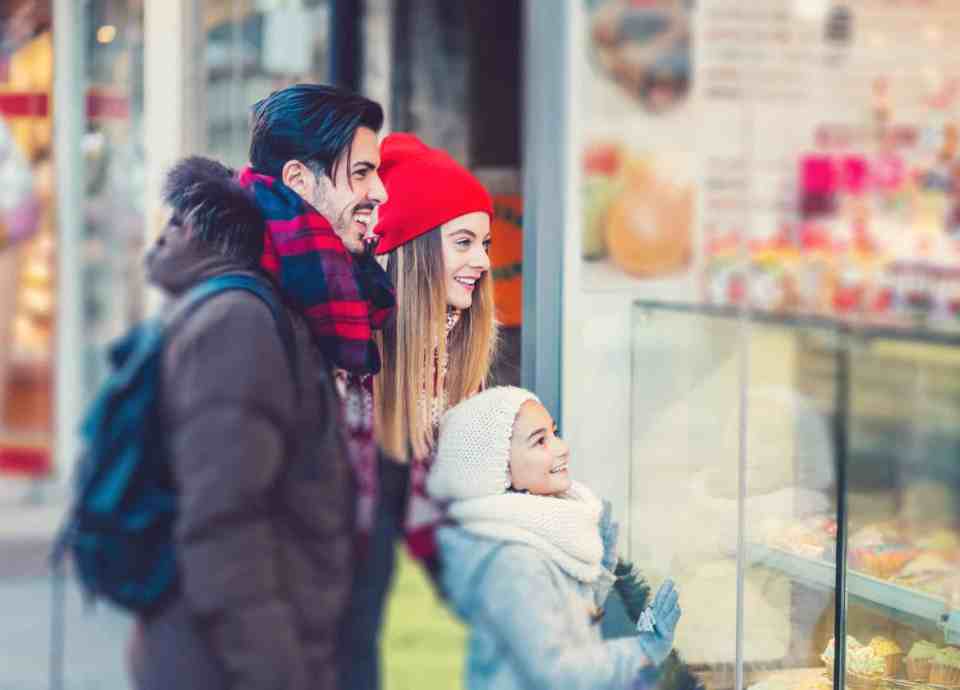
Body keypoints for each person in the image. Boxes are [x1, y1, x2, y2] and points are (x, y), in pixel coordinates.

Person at [131, 156, 351, 690]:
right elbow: (223, 520)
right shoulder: (236, 323)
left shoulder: (221, 311)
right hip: (221, 658)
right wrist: (273, 671)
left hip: (203, 643)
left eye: (174, 223)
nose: (159, 242)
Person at [338, 132, 498, 690]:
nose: (481, 261)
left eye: (485, 243)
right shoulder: (353, 373)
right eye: (463, 242)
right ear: (413, 251)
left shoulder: (451, 365)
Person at [427, 385, 683, 690]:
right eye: (540, 441)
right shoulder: (513, 562)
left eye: (554, 433)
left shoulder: (528, 534)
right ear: (499, 469)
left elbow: (552, 618)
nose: (561, 447)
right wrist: (643, 650)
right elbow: (558, 675)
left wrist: (597, 574)